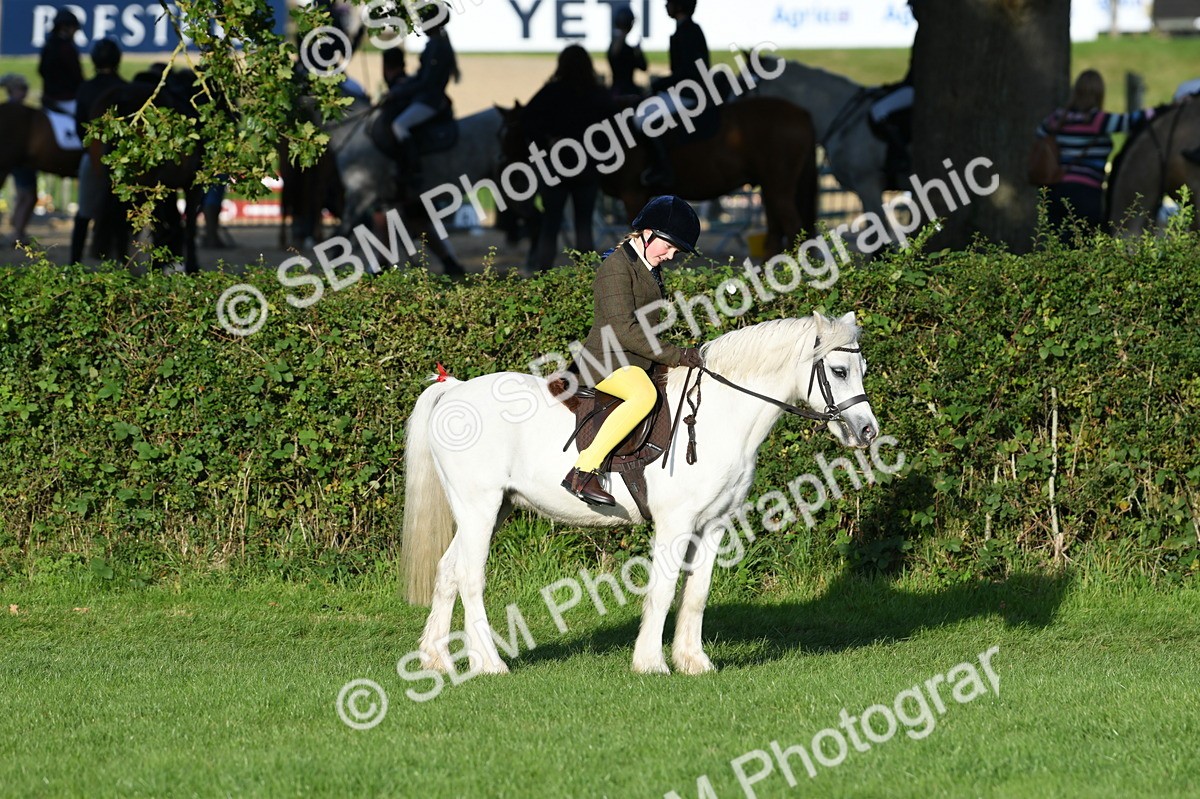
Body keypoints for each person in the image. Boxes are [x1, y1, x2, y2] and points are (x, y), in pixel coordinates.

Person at [562, 195, 705, 506]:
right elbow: (624, 331)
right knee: (644, 396)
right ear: (648, 233)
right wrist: (676, 355)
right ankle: (582, 473)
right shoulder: (615, 269)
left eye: (675, 252)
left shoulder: (645, 266)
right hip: (604, 361)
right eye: (668, 247)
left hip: (632, 359)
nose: (670, 256)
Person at [521, 45, 619, 272]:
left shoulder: (551, 91)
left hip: (555, 166)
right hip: (587, 167)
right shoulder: (597, 93)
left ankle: (543, 277)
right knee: (583, 226)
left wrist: (546, 140)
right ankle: (585, 280)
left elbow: (526, 120)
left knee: (550, 225)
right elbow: (616, 125)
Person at [1035, 69, 1159, 239]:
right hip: (1087, 193)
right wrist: (1167, 108)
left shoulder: (1057, 119)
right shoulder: (1098, 120)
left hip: (1056, 191)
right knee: (1086, 245)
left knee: (1059, 244)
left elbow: (1040, 134)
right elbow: (1133, 120)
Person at [385, 1, 458, 196]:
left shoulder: (437, 46)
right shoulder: (435, 44)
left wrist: (399, 92)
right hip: (425, 96)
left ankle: (412, 170)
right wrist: (403, 86)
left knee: (399, 126)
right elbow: (420, 77)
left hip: (430, 100)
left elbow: (426, 82)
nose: (421, 24)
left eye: (424, 21)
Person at [635, 0, 710, 187]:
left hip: (687, 94)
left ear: (679, 6)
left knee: (642, 118)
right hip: (685, 90)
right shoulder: (687, 29)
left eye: (669, 2)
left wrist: (660, 82)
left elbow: (687, 72)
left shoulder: (687, 32)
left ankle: (662, 169)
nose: (665, 5)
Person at [72, 38, 127, 262]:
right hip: (121, 161)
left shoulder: (85, 88)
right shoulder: (125, 86)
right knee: (122, 214)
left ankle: (73, 262)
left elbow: (79, 126)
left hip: (92, 157)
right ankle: (123, 261)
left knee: (83, 213)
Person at [1, 74, 37, 247]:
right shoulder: (16, 114)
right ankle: (18, 232)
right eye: (21, 89)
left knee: (24, 196)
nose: (25, 93)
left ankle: (18, 229)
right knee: (28, 196)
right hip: (20, 160)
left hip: (19, 161)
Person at [38, 8, 83, 116]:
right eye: (73, 28)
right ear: (64, 27)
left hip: (48, 98)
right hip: (67, 100)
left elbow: (41, 70)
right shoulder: (66, 48)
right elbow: (76, 74)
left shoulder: (49, 45)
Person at [607, 4, 647, 98]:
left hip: (618, 90)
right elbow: (643, 67)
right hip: (628, 91)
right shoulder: (628, 49)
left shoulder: (618, 46)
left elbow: (643, 67)